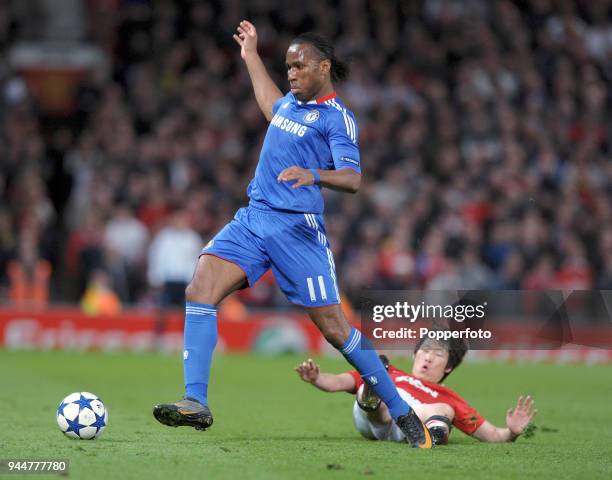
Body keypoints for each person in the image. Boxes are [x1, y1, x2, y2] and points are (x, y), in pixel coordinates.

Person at [153, 20, 433, 448]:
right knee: (200, 289)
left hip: (297, 231)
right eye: (287, 68)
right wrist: (250, 56)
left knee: (336, 330)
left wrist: (314, 175)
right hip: (254, 217)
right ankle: (196, 401)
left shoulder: (338, 119)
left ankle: (400, 410)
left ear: (323, 68)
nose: (292, 74)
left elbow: (354, 179)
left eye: (299, 67)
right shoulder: (290, 106)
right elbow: (270, 105)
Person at [295, 336, 537, 445]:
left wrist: (512, 432)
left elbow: (493, 435)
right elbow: (337, 382)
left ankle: (431, 433)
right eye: (426, 350)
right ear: (415, 353)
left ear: (449, 366)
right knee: (377, 378)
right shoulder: (390, 372)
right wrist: (316, 378)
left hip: (407, 427)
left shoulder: (447, 397)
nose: (429, 358)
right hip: (373, 417)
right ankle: (371, 396)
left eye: (438, 354)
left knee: (444, 409)